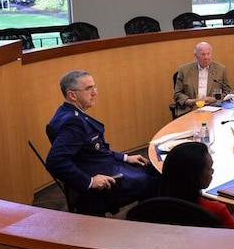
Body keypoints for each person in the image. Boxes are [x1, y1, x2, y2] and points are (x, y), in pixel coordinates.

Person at [46, 70, 161, 215]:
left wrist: (125, 157)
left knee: (150, 168)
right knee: (156, 180)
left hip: (102, 164)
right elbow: (55, 161)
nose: (95, 93)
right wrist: (89, 181)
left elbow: (93, 150)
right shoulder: (73, 123)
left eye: (94, 87)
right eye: (89, 89)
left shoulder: (65, 112)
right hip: (103, 177)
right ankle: (148, 223)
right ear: (72, 95)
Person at [161, 141, 234, 229]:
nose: (212, 171)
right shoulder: (216, 210)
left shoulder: (156, 205)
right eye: (209, 168)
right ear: (194, 175)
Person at [173, 41, 230, 117]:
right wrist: (191, 101)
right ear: (196, 55)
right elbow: (177, 94)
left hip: (214, 108)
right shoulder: (184, 70)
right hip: (191, 109)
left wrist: (214, 99)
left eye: (208, 54)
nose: (206, 57)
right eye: (203, 54)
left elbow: (227, 91)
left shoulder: (221, 69)